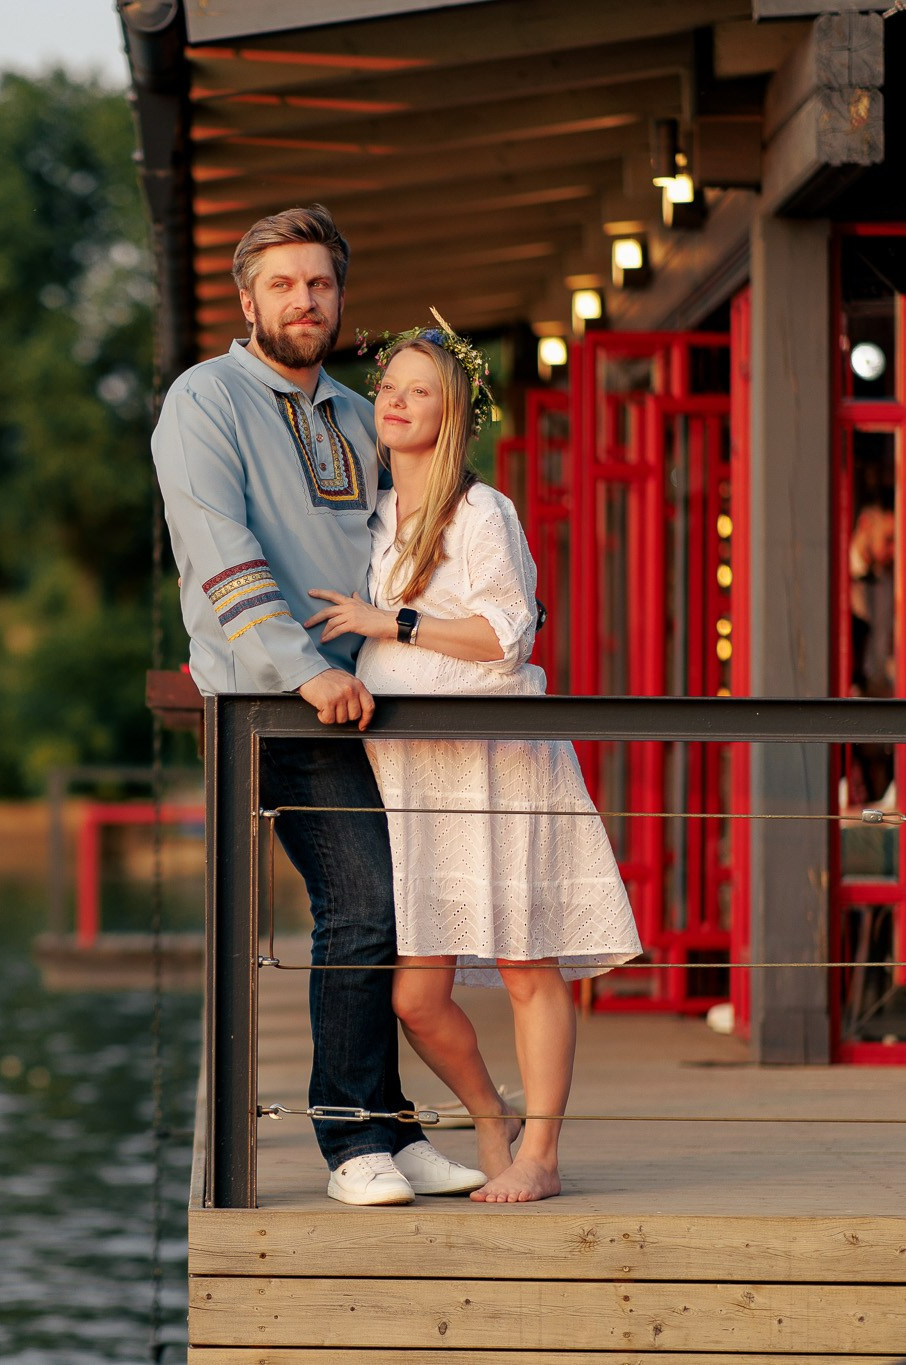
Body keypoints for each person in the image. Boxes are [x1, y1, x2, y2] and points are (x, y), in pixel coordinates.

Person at [153, 207, 485, 1205]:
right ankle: (349, 1145)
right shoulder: (203, 400)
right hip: (276, 701)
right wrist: (303, 670)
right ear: (246, 299)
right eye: (286, 285)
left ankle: (388, 1125)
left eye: (322, 285)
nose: (306, 302)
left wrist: (491, 599)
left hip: (375, 700)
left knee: (394, 907)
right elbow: (218, 550)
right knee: (363, 901)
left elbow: (424, 526)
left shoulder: (355, 410)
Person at [304, 317, 642, 1203]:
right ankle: (490, 1114)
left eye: (420, 389)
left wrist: (394, 622)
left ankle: (543, 1153)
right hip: (413, 776)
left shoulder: (482, 512)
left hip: (495, 761)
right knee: (416, 993)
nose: (396, 400)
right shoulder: (370, 517)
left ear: (452, 412)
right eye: (388, 387)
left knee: (529, 964)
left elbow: (505, 635)